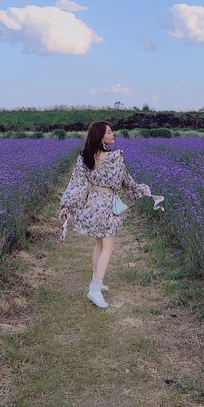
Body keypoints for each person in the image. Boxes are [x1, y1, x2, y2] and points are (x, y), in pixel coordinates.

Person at [58, 120, 164, 309]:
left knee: (99, 244)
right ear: (101, 136)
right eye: (109, 131)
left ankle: (96, 280)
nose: (113, 134)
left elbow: (77, 184)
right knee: (109, 246)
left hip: (92, 204)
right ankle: (95, 289)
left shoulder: (85, 157)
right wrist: (145, 192)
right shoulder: (115, 157)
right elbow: (127, 182)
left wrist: (67, 206)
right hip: (106, 206)